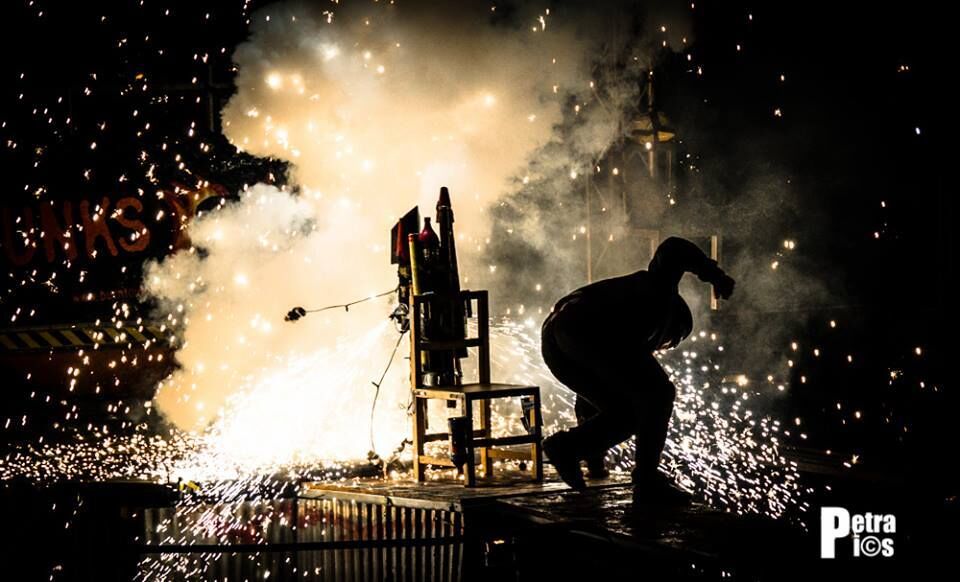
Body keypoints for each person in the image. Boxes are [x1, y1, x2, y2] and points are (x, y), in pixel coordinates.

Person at [541, 236, 735, 503]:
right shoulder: (660, 293)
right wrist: (716, 275)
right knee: (659, 394)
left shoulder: (632, 316)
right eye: (669, 343)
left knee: (626, 413)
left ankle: (568, 448)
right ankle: (647, 482)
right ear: (673, 326)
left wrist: (595, 463)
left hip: (555, 342)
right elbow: (672, 248)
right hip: (587, 327)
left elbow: (586, 404)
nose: (660, 349)